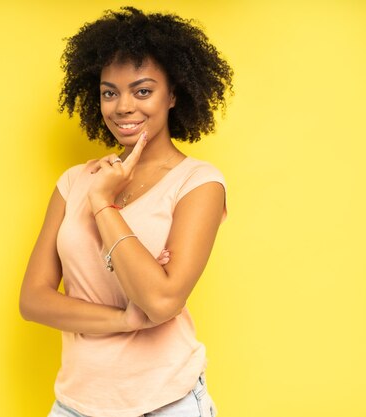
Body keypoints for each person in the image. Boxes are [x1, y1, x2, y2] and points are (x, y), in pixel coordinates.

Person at [19, 7, 233, 417]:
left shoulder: (199, 183)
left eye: (142, 90)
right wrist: (126, 320)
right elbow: (33, 300)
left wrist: (103, 204)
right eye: (109, 92)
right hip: (76, 404)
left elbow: (163, 300)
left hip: (168, 404)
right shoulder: (73, 182)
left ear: (173, 95)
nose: (122, 107)